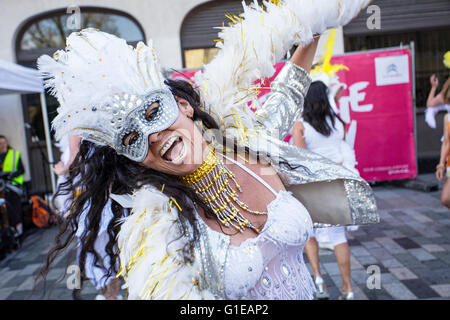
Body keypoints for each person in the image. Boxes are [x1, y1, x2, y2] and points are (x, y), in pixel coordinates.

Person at [36, 0, 378, 300]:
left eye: (153, 113)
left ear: (184, 106)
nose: (153, 135)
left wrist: (315, 19)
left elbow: (289, 89)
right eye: (132, 139)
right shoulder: (159, 227)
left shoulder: (247, 142)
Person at [292, 81, 358, 300]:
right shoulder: (338, 123)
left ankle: (319, 281)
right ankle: (348, 289)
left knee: (309, 234)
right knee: (339, 236)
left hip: (313, 187)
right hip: (338, 183)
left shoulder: (301, 126)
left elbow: (301, 161)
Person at [52, 134, 122, 300]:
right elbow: (66, 196)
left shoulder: (99, 155)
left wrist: (64, 173)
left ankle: (112, 296)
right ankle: (111, 296)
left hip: (102, 214)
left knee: (105, 258)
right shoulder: (76, 157)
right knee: (98, 259)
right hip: (89, 215)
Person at [0, 135, 25, 240]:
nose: (2, 145)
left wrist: (10, 175)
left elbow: (21, 170)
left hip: (13, 187)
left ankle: (19, 234)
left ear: (6, 143)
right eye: (0, 143)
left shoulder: (14, 154)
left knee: (15, 211)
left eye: (3, 142)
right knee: (5, 213)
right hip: (1, 188)